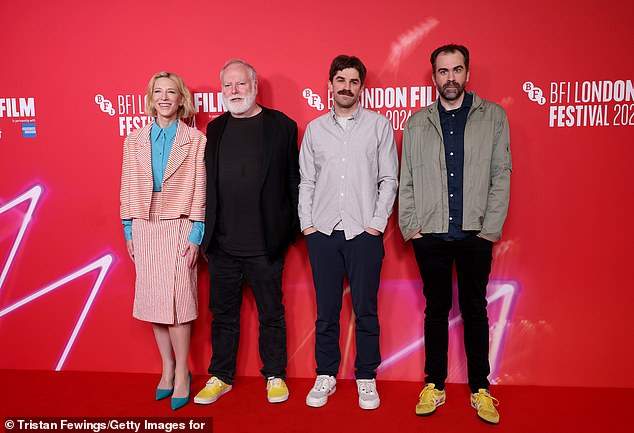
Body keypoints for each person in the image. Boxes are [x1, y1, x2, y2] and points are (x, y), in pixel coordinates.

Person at [399, 44, 512, 424]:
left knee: (475, 309)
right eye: (443, 71)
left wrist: (489, 230)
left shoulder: (493, 116)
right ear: (433, 78)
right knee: (435, 310)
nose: (451, 78)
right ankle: (435, 384)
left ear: (467, 73)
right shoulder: (417, 122)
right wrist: (412, 227)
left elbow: (501, 176)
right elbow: (407, 179)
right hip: (430, 234)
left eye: (457, 70)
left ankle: (480, 388)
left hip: (474, 233)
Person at [194, 59, 299, 405]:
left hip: (265, 244)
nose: (234, 92)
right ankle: (221, 375)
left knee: (272, 313)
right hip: (222, 245)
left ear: (254, 85)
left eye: (240, 84)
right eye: (228, 86)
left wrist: (291, 231)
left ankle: (275, 375)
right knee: (222, 315)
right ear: (221, 89)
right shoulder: (215, 128)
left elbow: (293, 183)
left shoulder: (282, 127)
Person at [299, 55, 398, 410]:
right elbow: (306, 181)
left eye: (353, 81)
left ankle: (366, 376)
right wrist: (307, 226)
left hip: (363, 233)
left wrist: (375, 225)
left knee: (366, 309)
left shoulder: (379, 126)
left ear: (361, 87)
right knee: (326, 311)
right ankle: (325, 373)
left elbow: (389, 180)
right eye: (340, 80)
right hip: (322, 232)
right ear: (330, 84)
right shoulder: (315, 130)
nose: (346, 87)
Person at [120, 71, 206, 411]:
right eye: (159, 92)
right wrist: (128, 230)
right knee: (155, 298)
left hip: (181, 222)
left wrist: (196, 233)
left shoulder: (196, 139)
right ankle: (167, 367)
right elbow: (127, 185)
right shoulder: (133, 140)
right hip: (144, 222)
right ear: (151, 98)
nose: (165, 97)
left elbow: (200, 188)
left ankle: (182, 372)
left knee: (179, 299)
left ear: (182, 99)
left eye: (172, 92)